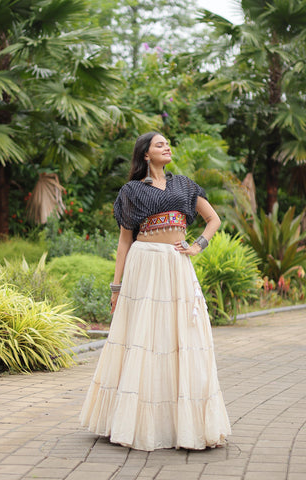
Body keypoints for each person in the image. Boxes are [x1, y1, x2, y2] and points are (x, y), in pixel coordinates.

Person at [80, 132, 231, 451]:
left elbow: (213, 219)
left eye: (167, 143)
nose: (167, 147)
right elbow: (124, 241)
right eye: (160, 144)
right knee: (144, 340)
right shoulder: (132, 191)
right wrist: (116, 287)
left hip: (177, 267)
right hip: (144, 267)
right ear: (146, 154)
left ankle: (182, 425)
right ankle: (132, 421)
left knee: (181, 339)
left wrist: (197, 246)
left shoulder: (185, 185)